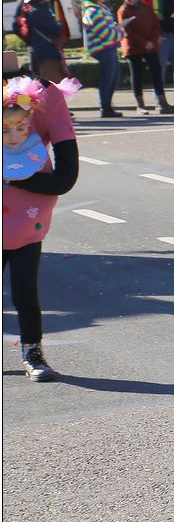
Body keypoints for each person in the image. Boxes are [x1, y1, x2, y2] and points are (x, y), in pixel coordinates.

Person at [3, 69, 80, 382]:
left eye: (19, 127)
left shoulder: (45, 97)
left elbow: (64, 179)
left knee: (25, 294)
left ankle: (32, 352)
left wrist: (18, 177)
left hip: (26, 223)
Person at [117, 0, 174, 115]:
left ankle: (162, 103)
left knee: (157, 72)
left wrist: (152, 41)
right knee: (137, 75)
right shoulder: (123, 10)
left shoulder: (146, 7)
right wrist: (144, 43)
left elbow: (156, 25)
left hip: (150, 46)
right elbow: (128, 32)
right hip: (134, 48)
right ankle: (140, 105)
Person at [81, 0, 124, 117]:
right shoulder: (93, 11)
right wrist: (120, 34)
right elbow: (104, 32)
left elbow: (109, 28)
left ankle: (108, 106)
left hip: (109, 47)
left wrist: (117, 31)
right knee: (108, 78)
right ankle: (105, 108)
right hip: (102, 48)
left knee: (114, 77)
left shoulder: (101, 9)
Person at [16, 0, 65, 84]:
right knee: (52, 84)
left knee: (40, 83)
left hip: (38, 52)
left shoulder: (31, 11)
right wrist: (59, 24)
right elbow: (56, 29)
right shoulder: (42, 11)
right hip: (48, 53)